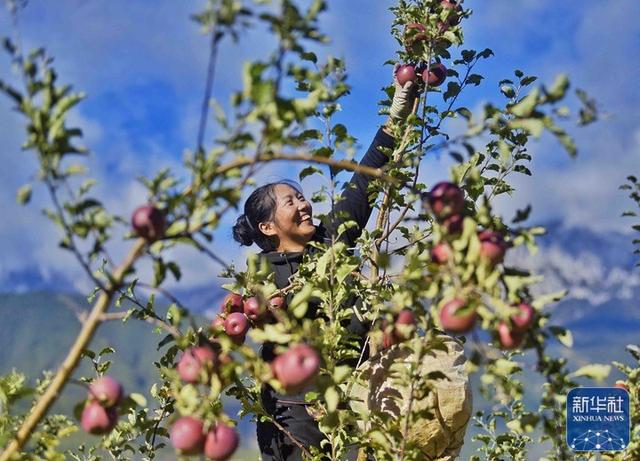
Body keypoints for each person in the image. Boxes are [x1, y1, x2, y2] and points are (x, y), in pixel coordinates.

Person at [231, 68, 418, 460]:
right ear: (267, 225)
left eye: (301, 197)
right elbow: (263, 323)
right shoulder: (262, 273)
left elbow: (367, 179)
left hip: (355, 399)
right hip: (293, 412)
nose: (304, 204)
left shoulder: (332, 237)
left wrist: (398, 110)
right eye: (290, 202)